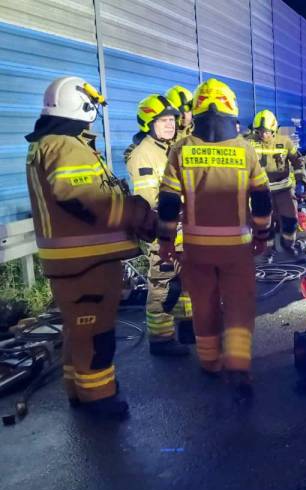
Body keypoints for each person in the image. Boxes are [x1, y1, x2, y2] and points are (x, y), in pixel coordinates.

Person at [25, 76, 157, 419]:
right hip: (86, 263)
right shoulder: (65, 146)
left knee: (78, 329)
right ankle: (99, 397)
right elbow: (88, 200)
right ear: (82, 106)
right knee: (96, 332)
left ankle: (79, 389)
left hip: (74, 262)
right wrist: (139, 214)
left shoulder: (50, 144)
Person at [158, 78, 272, 402]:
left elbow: (168, 201)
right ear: (231, 110)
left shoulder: (182, 149)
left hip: (197, 249)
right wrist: (262, 234)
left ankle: (209, 362)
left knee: (204, 304)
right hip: (237, 247)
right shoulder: (244, 150)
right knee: (238, 304)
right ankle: (238, 364)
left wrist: (166, 242)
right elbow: (261, 199)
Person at [125, 94, 194, 356]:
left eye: (172, 120)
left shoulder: (170, 148)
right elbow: (149, 199)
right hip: (162, 228)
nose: (170, 125)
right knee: (163, 283)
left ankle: (187, 325)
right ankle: (161, 338)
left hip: (181, 225)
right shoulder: (144, 154)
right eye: (163, 120)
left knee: (185, 278)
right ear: (148, 123)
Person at [245, 109, 305, 253]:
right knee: (264, 223)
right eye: (259, 131)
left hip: (283, 189)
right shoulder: (248, 142)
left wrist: (301, 181)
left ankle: (288, 245)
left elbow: (298, 161)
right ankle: (267, 251)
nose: (262, 135)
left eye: (266, 132)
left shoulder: (284, 142)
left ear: (274, 130)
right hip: (260, 191)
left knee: (290, 220)